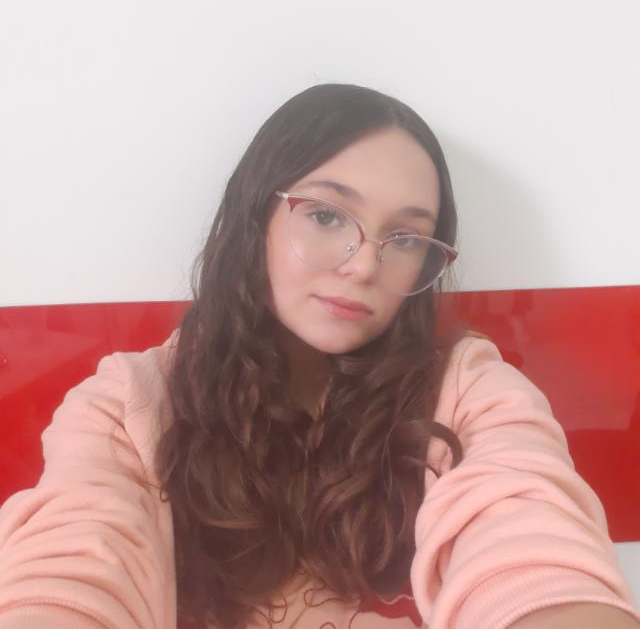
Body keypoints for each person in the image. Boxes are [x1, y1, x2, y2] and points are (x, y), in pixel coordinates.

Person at [0, 84, 637, 629]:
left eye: (405, 237)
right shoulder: (129, 404)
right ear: (255, 215)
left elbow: (525, 534)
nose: (363, 266)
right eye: (328, 216)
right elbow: (75, 564)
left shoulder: (467, 391)